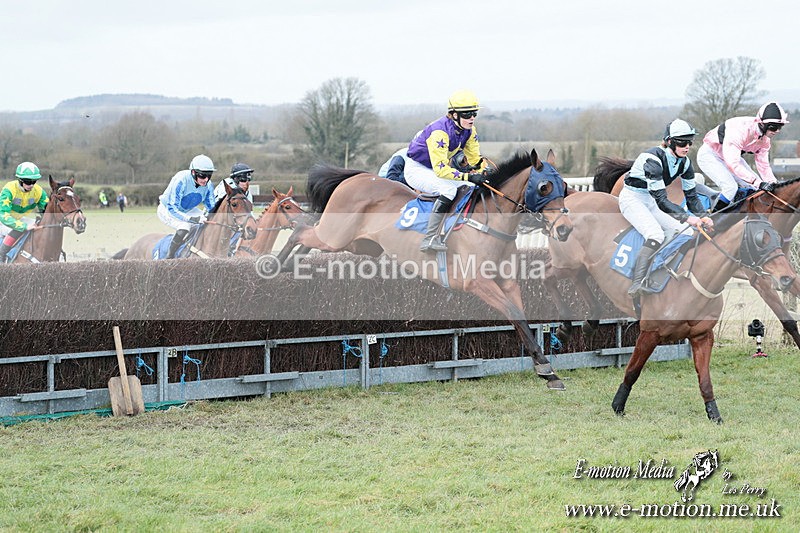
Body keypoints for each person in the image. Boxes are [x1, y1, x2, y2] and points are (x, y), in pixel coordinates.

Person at [618, 119, 713, 296]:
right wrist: (688, 218)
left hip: (651, 201)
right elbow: (662, 201)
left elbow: (691, 196)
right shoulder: (652, 160)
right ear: (669, 142)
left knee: (686, 233)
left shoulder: (685, 163)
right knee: (655, 234)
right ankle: (636, 283)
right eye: (682, 142)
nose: (687, 146)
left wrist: (703, 215)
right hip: (632, 199)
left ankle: (657, 267)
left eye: (690, 142)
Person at [405, 89, 493, 252]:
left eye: (474, 113)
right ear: (453, 115)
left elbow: (474, 158)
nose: (472, 117)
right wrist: (469, 176)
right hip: (417, 169)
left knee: (471, 187)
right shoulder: (440, 132)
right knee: (449, 189)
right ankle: (430, 238)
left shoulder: (469, 130)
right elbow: (440, 170)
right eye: (467, 114)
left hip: (435, 168)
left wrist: (484, 171)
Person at [697, 102, 790, 212]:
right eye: (774, 127)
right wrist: (758, 182)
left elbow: (763, 165)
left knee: (755, 188)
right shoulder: (739, 130)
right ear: (761, 123)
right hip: (710, 156)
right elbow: (733, 164)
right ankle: (713, 218)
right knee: (730, 188)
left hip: (730, 157)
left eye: (780, 127)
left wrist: (772, 182)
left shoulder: (765, 140)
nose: (777, 131)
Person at [157, 154, 216, 259]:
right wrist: (191, 219)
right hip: (167, 209)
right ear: (193, 172)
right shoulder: (181, 180)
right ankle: (169, 257)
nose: (206, 179)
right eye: (202, 175)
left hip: (188, 210)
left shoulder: (208, 185)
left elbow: (211, 207)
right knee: (185, 226)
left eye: (209, 175)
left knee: (207, 222)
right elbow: (172, 208)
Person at [0, 162, 49, 263]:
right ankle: (2, 257)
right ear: (20, 180)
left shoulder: (38, 191)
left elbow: (48, 210)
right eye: (27, 181)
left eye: (34, 181)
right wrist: (23, 226)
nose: (31, 185)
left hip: (20, 219)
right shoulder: (9, 190)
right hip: (4, 220)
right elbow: (4, 215)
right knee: (19, 229)